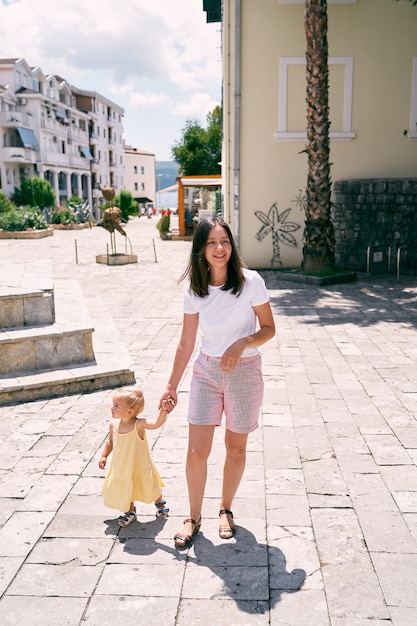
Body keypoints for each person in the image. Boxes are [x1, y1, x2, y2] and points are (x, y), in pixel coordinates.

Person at [159, 216, 275, 548]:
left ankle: (225, 508)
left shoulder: (251, 282)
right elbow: (185, 343)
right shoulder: (195, 290)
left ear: (231, 245)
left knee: (235, 447)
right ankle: (193, 517)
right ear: (201, 249)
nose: (219, 248)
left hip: (245, 371)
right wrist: (171, 386)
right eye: (211, 242)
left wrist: (242, 344)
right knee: (197, 451)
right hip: (206, 372)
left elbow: (269, 328)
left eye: (224, 241)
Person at [99, 386, 174, 527]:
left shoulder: (138, 425)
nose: (112, 407)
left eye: (116, 405)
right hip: (122, 465)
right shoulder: (113, 424)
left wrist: (163, 411)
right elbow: (110, 441)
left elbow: (157, 423)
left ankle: (160, 504)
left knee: (150, 485)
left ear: (130, 411)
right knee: (126, 487)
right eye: (112, 404)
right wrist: (104, 456)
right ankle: (130, 511)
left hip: (139, 465)